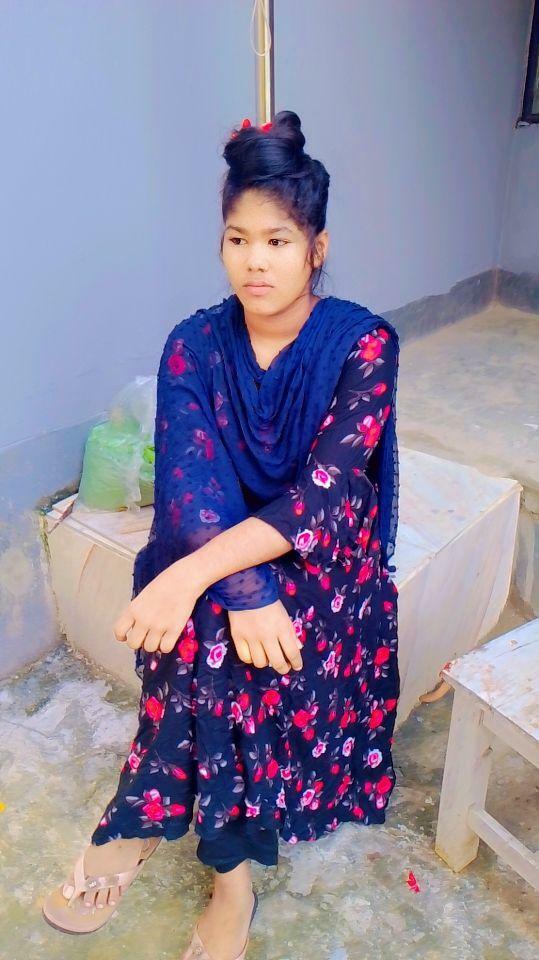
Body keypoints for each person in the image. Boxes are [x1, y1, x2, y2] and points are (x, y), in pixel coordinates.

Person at [42, 109, 400, 960]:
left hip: (321, 557)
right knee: (214, 629)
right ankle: (226, 871)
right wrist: (239, 590)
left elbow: (321, 496)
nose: (254, 261)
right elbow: (191, 485)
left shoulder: (364, 343)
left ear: (315, 247)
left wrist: (189, 579)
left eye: (277, 241)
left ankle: (156, 829)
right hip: (219, 546)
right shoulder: (193, 344)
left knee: (204, 630)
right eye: (237, 240)